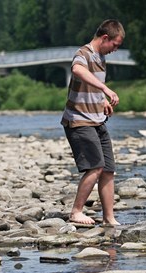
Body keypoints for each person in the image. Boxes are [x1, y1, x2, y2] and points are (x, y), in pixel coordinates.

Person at [61, 19, 125, 226]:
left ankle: (109, 218)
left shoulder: (101, 58)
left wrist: (102, 100)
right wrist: (106, 90)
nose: (115, 50)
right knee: (95, 166)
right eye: (115, 45)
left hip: (97, 120)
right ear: (105, 38)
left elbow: (90, 85)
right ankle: (76, 212)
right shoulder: (84, 53)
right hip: (79, 121)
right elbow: (78, 71)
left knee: (107, 169)